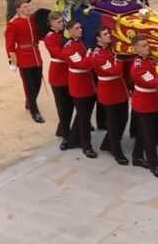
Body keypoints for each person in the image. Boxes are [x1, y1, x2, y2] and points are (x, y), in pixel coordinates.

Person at [88, 27, 130, 165]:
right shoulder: (97, 55)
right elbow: (114, 71)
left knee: (123, 119)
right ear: (98, 38)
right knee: (113, 123)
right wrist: (119, 58)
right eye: (105, 34)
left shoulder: (111, 49)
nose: (109, 35)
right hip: (109, 92)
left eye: (109, 33)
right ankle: (116, 151)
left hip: (120, 89)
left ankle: (108, 143)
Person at [130, 35, 158, 178]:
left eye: (147, 45)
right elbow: (154, 82)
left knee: (143, 133)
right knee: (150, 136)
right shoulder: (137, 67)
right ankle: (154, 165)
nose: (148, 48)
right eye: (144, 46)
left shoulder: (150, 60)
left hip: (153, 102)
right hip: (144, 104)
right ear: (136, 49)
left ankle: (137, 157)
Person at [62, 21, 98, 159]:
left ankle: (73, 139)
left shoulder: (80, 42)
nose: (81, 30)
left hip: (88, 83)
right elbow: (82, 65)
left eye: (81, 27)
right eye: (77, 28)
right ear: (70, 31)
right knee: (84, 118)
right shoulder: (69, 48)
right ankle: (86, 146)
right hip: (78, 86)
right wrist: (90, 54)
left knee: (84, 115)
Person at [5, 0, 44, 123]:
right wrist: (12, 61)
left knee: (37, 83)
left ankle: (29, 101)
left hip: (36, 55)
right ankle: (35, 111)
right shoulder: (13, 24)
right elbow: (10, 45)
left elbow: (39, 35)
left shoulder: (33, 20)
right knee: (29, 86)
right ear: (18, 10)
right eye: (25, 7)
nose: (28, 8)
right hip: (24, 57)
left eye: (28, 6)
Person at [43, 11, 74, 150]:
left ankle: (62, 129)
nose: (62, 24)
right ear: (51, 24)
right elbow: (58, 54)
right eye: (58, 22)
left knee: (69, 104)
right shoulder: (50, 38)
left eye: (62, 22)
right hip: (58, 74)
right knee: (63, 107)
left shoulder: (63, 34)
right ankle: (66, 136)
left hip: (67, 72)